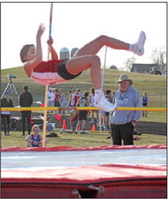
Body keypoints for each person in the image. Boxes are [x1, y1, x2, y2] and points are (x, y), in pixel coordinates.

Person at [20, 24, 146, 112]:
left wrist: (51, 46)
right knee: (94, 60)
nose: (35, 53)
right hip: (62, 71)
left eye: (35, 50)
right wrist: (38, 37)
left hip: (65, 65)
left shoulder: (40, 64)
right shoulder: (28, 67)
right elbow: (39, 58)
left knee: (102, 39)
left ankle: (135, 48)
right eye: (32, 51)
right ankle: (99, 97)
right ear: (25, 57)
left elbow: (54, 58)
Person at [109, 75, 142, 145]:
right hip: (115, 123)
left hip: (127, 123)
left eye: (125, 83)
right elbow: (112, 106)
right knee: (115, 146)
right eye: (121, 83)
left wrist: (134, 120)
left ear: (129, 83)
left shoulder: (134, 92)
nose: (122, 85)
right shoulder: (117, 93)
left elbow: (138, 106)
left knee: (128, 145)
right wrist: (110, 119)